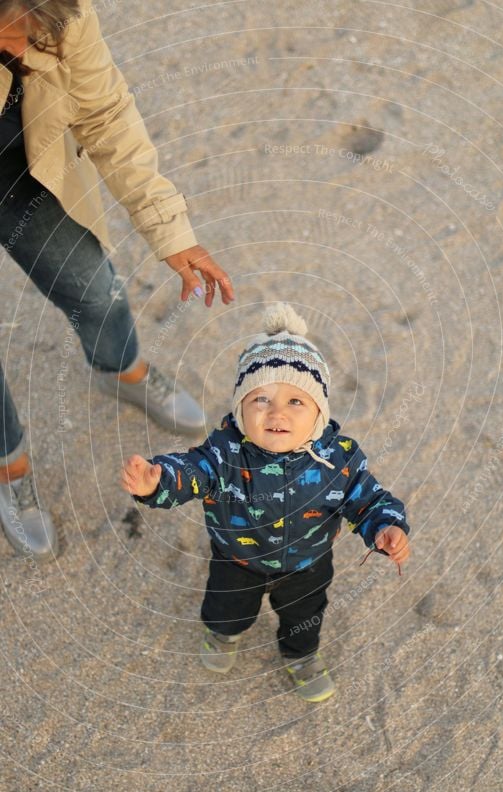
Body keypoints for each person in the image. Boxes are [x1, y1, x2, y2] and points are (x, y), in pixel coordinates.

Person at [0, 0, 234, 559]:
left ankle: (121, 372)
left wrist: (171, 233)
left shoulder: (65, 13)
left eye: (32, 36)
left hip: (18, 170)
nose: (22, 48)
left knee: (94, 285)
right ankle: (12, 466)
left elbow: (105, 115)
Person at [122, 303, 411, 703]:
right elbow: (192, 471)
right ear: (240, 407)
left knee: (304, 618)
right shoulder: (225, 452)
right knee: (226, 607)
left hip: (307, 565)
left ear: (319, 413)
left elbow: (368, 499)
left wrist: (385, 526)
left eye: (296, 401)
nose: (277, 412)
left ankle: (301, 655)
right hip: (236, 558)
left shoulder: (339, 458)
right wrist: (157, 481)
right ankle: (224, 634)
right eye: (261, 399)